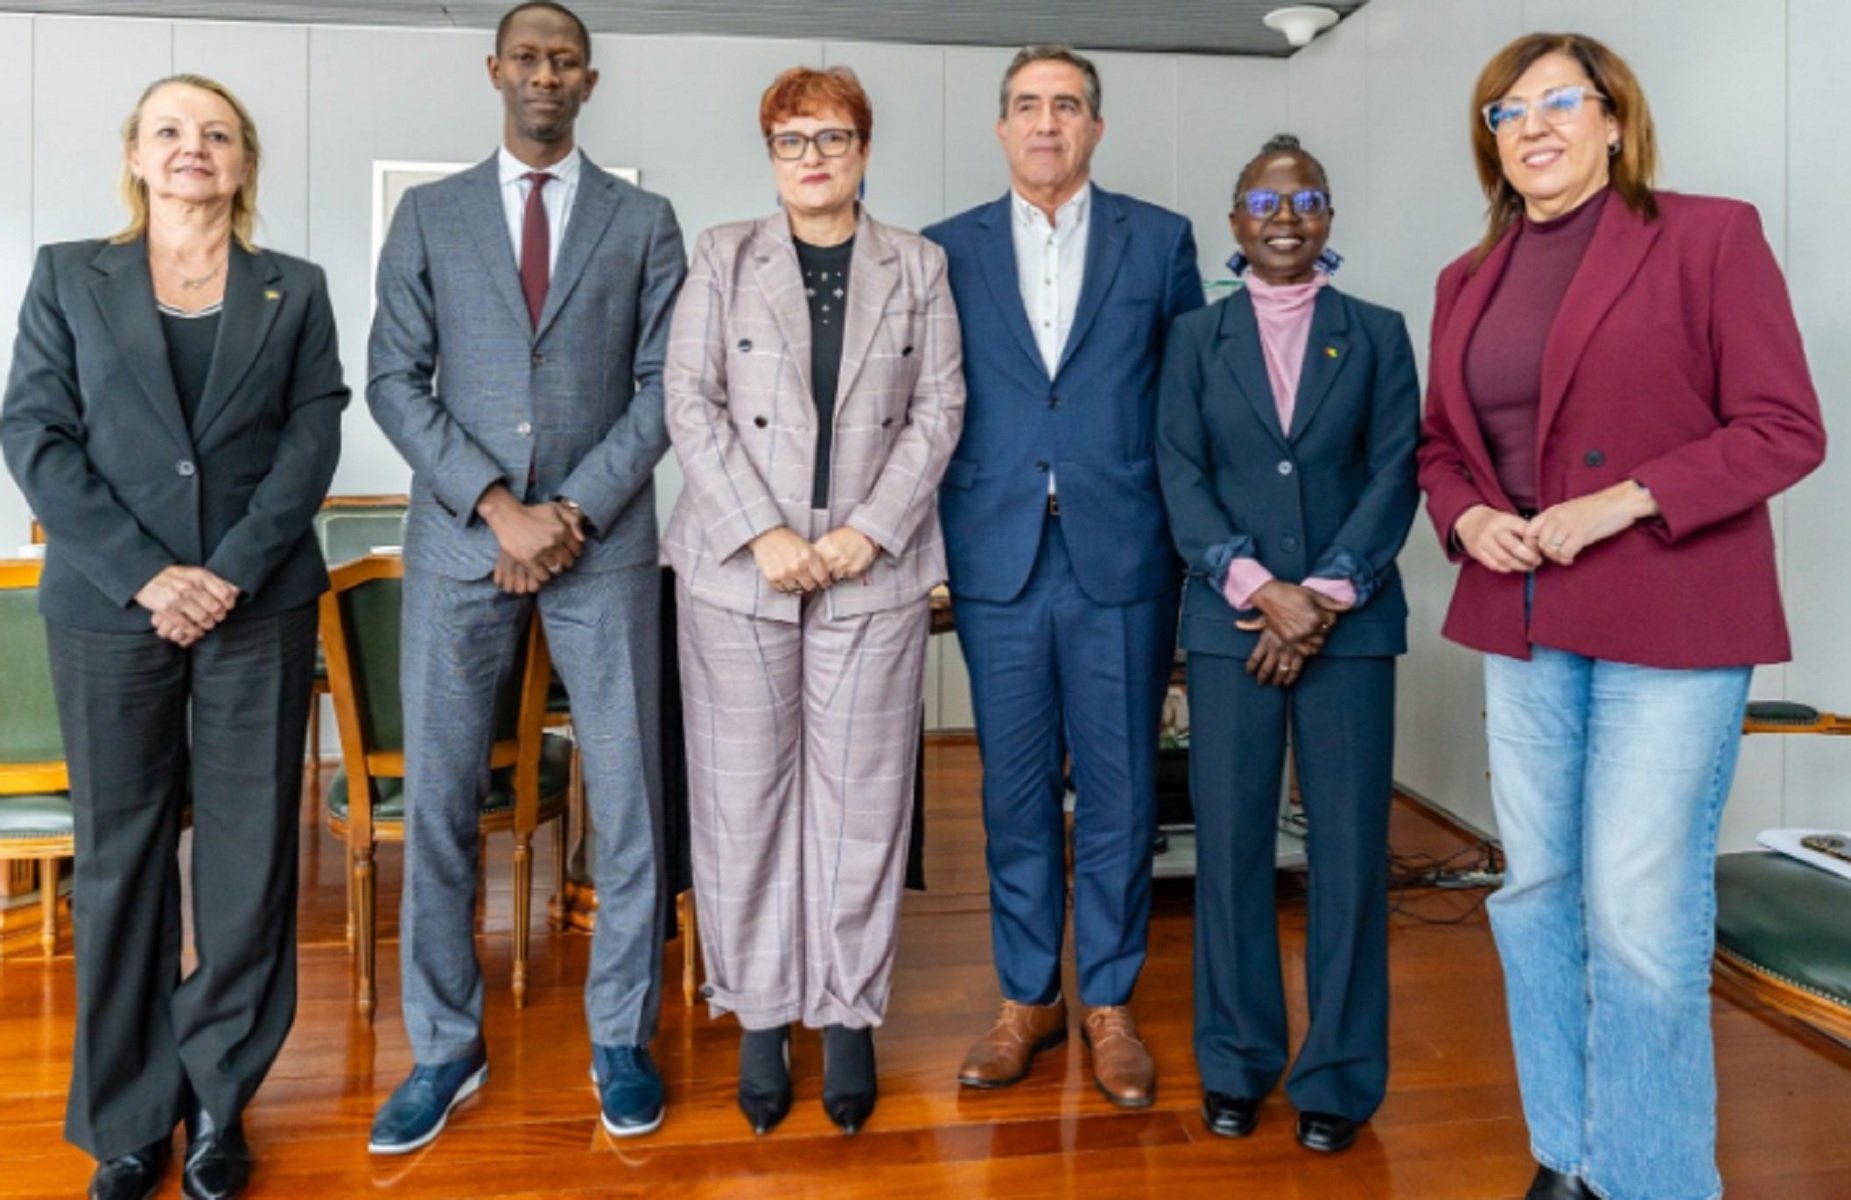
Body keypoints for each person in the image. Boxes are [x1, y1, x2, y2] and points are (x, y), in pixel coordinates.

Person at [1417, 32, 1826, 1200]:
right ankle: (1569, 1158)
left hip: (1669, 608)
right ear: (1490, 141)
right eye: (1506, 110)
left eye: (1559, 101)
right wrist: (1465, 519)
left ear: (1612, 118)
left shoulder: (1708, 234)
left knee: (1640, 909)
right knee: (1537, 893)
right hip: (1525, 609)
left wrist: (1627, 500)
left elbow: (1785, 428)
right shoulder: (1467, 277)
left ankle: (1651, 1180)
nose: (1532, 125)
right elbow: (1442, 448)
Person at [1, 74, 346, 1200]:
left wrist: (227, 573)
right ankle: (130, 1118)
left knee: (249, 869)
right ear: (136, 157)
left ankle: (219, 1106)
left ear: (243, 164)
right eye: (170, 131)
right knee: (122, 864)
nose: (193, 148)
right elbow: (37, 433)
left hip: (259, 606)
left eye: (217, 134)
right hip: (111, 608)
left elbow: (310, 443)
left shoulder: (297, 289)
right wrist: (152, 574)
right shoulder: (67, 275)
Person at [364, 0, 686, 1152]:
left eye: (567, 62)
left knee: (632, 796)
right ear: (496, 70)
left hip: (604, 545)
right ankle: (443, 1048)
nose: (546, 75)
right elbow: (395, 380)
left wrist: (571, 513)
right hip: (462, 538)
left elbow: (665, 386)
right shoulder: (429, 215)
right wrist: (501, 510)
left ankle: (621, 1037)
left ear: (588, 83)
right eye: (529, 58)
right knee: (443, 802)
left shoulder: (645, 220)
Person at [661, 65, 964, 1138]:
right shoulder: (723, 253)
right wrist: (768, 532)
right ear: (771, 154)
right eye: (792, 140)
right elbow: (688, 403)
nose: (814, 156)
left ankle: (845, 1015)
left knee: (861, 801)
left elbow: (938, 410)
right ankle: (756, 1008)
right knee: (743, 799)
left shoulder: (919, 265)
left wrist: (859, 535)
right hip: (741, 569)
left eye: (833, 136)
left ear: (865, 149)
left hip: (869, 570)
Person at [923, 44, 1203, 1108]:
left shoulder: (1160, 241)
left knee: (1124, 787)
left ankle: (1111, 1002)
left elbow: (1184, 405)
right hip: (996, 551)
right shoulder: (945, 251)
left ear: (1094, 126)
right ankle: (1026, 999)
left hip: (1123, 551)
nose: (1048, 123)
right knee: (1014, 788)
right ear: (1002, 128)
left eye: (1068, 105)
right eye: (1030, 106)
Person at [1156, 134, 1419, 1156]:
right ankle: (1236, 1063)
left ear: (1327, 221)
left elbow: (1396, 471)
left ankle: (1340, 1079)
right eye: (1265, 201)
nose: (1285, 214)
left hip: (1350, 634)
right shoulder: (1191, 339)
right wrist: (1263, 592)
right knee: (1230, 854)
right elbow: (1180, 473)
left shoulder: (1381, 334)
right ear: (1234, 224)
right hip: (1231, 629)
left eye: (1306, 198)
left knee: (1350, 860)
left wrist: (1322, 599)